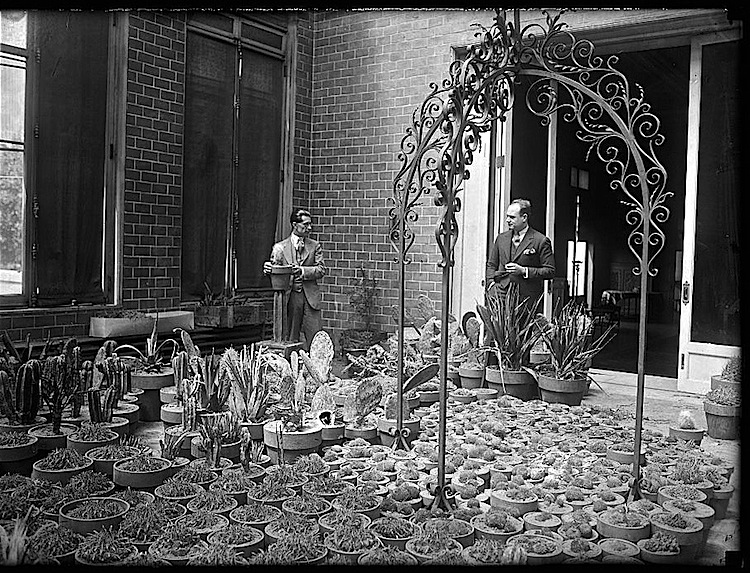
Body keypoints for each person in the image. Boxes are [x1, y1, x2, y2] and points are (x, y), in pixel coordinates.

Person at [263, 208, 326, 350]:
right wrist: (268, 269)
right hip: (290, 297)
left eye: (310, 224)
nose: (309, 228)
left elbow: (321, 269)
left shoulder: (314, 246)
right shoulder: (280, 248)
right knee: (290, 339)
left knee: (316, 339)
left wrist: (303, 271)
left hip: (310, 298)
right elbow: (275, 271)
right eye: (306, 224)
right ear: (294, 225)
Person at [485, 198, 555, 307]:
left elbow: (550, 271)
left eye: (512, 217)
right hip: (500, 296)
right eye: (507, 216)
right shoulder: (501, 238)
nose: (507, 220)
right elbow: (491, 264)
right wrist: (491, 284)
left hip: (526, 299)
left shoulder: (540, 240)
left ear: (524, 217)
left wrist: (524, 270)